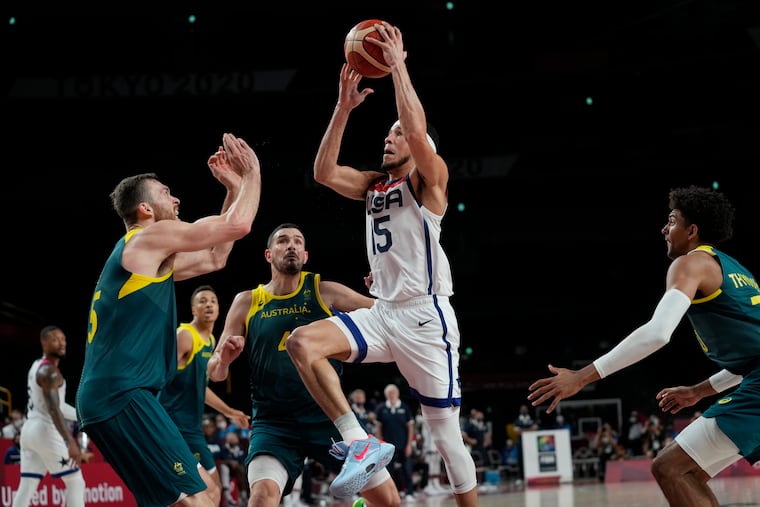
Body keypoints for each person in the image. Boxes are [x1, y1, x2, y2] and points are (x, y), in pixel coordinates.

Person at [285, 20, 478, 507]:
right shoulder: (374, 185)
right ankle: (359, 441)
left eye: (398, 135)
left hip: (425, 317)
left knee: (446, 440)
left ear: (421, 148)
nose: (390, 138)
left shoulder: (428, 183)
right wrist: (342, 108)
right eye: (388, 134)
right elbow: (323, 172)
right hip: (383, 312)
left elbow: (415, 126)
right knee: (302, 342)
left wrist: (398, 69)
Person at [527, 185, 760, 506]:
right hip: (754, 379)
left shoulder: (690, 264)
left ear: (692, 231)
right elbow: (750, 361)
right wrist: (697, 392)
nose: (664, 229)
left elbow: (657, 333)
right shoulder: (738, 271)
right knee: (686, 471)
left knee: (670, 468)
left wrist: (581, 377)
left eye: (672, 221)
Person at [75, 132, 262, 507]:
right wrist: (253, 173)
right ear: (145, 209)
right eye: (165, 193)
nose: (176, 199)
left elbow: (215, 257)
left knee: (177, 501)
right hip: (123, 395)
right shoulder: (148, 238)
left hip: (107, 397)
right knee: (200, 499)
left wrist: (232, 187)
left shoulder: (147, 259)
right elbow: (238, 226)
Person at [207, 223, 400, 507]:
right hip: (274, 422)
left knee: (389, 502)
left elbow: (389, 317)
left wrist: (382, 293)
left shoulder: (326, 292)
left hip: (327, 417)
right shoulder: (247, 301)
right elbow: (214, 372)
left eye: (298, 242)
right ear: (268, 254)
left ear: (306, 255)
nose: (291, 246)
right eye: (283, 241)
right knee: (261, 498)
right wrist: (223, 359)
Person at [158, 284, 252, 507]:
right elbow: (158, 375)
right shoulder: (185, 336)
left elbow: (199, 388)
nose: (208, 304)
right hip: (173, 428)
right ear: (193, 309)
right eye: (202, 301)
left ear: (219, 309)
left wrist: (229, 412)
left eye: (213, 300)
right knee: (196, 493)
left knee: (213, 489)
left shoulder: (210, 342)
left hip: (192, 430)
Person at [13, 325, 85, 507]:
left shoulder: (36, 365)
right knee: (75, 480)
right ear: (44, 343)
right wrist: (69, 441)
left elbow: (58, 405)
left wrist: (82, 415)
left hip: (29, 430)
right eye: (55, 339)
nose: (61, 343)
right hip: (45, 430)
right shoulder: (50, 373)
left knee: (27, 484)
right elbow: (54, 410)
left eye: (63, 339)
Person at [374, 383, 416, 501]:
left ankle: (410, 493)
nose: (392, 395)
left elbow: (410, 427)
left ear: (397, 394)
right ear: (386, 395)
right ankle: (393, 493)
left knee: (407, 469)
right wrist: (380, 444)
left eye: (393, 393)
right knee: (389, 471)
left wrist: (409, 445)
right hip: (388, 446)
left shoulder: (404, 407)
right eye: (389, 393)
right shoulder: (381, 409)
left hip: (403, 444)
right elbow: (378, 428)